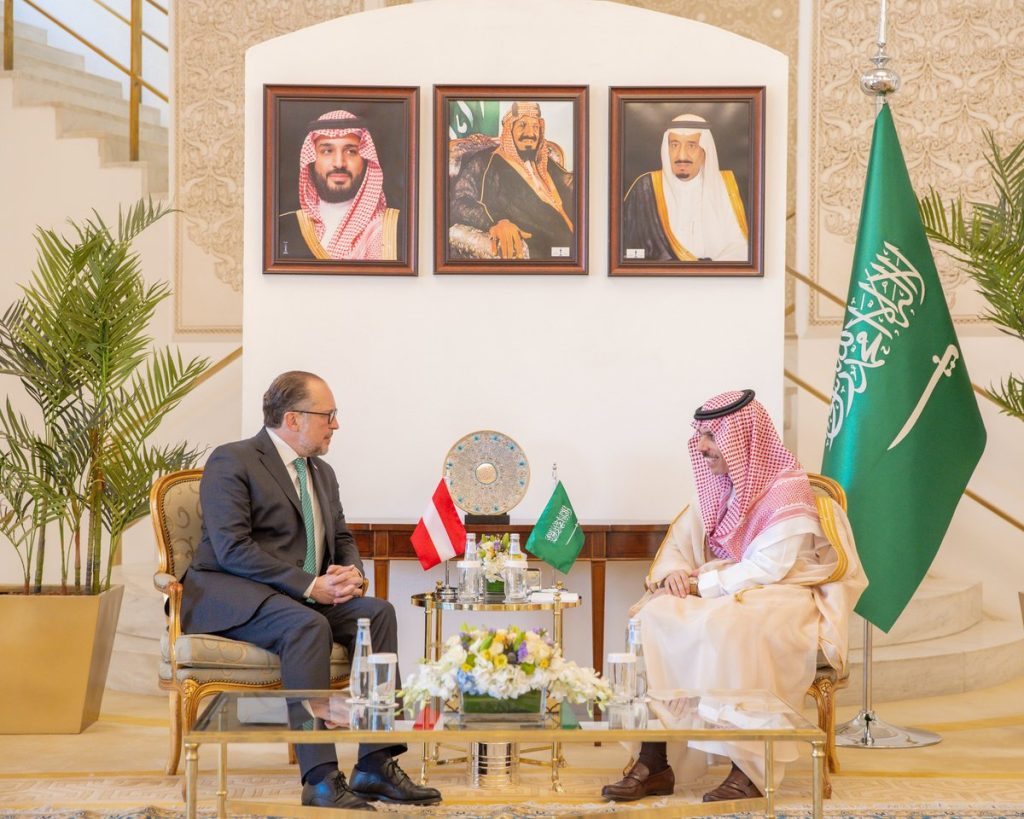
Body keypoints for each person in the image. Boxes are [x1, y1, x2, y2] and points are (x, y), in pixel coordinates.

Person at [180, 371, 440, 811]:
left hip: (298, 596)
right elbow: (232, 548)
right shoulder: (233, 460)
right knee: (307, 626)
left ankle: (375, 764)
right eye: (328, 415)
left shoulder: (322, 472)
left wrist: (352, 575)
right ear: (293, 418)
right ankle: (319, 778)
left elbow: (341, 537)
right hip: (235, 594)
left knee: (378, 612)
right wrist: (309, 584)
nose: (335, 424)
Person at [601, 389, 866, 804]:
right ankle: (654, 760)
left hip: (784, 594)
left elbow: (770, 567)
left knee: (732, 626)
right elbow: (680, 544)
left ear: (742, 439)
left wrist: (701, 585)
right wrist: (674, 575)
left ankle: (750, 769)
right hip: (725, 587)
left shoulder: (787, 490)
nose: (702, 447)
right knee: (652, 617)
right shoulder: (717, 486)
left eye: (711, 436)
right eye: (701, 436)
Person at [450, 101, 574, 260]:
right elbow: (459, 201)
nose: (530, 133)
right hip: (540, 249)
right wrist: (497, 222)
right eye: (522, 125)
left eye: (535, 127)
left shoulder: (544, 161)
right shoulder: (485, 161)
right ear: (509, 130)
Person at [278, 110, 404, 261]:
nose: (339, 163)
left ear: (365, 160)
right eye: (327, 151)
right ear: (311, 160)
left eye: (351, 151)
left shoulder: (398, 228)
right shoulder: (283, 227)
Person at [622, 114, 749, 262]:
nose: (681, 155)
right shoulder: (644, 189)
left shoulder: (728, 188)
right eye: (674, 145)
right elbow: (625, 253)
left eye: (691, 146)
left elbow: (743, 249)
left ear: (705, 150)